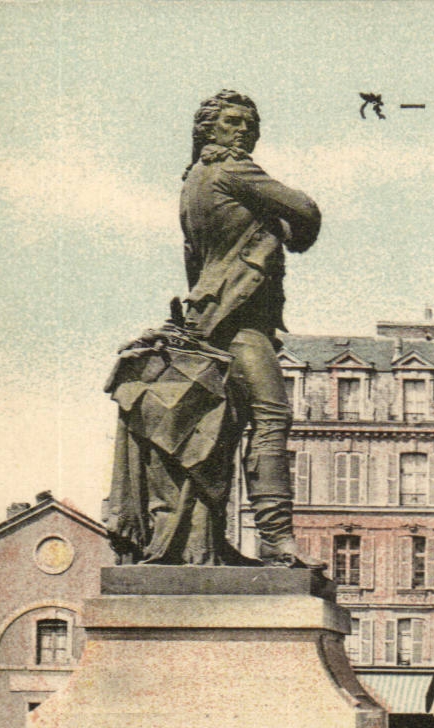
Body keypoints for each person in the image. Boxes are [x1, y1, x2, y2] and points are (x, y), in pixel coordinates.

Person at [178, 90, 323, 567]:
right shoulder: (232, 171)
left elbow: (194, 263)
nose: (244, 131)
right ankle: (277, 540)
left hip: (208, 322)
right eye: (233, 121)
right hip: (240, 324)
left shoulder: (192, 181)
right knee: (272, 418)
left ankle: (208, 542)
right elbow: (305, 211)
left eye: (250, 124)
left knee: (223, 433)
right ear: (209, 129)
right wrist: (285, 232)